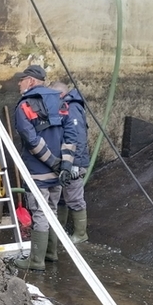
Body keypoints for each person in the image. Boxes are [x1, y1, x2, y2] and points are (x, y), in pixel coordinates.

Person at [13, 65, 77, 271]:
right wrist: (64, 164)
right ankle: (51, 253)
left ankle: (36, 261)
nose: (18, 84)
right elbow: (71, 135)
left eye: (21, 80)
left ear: (30, 81)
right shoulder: (60, 101)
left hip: (38, 170)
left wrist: (52, 162)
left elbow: (31, 140)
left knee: (39, 213)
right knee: (52, 210)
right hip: (59, 172)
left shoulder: (24, 106)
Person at [51, 81, 90, 244]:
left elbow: (78, 138)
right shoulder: (63, 106)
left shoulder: (72, 108)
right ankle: (60, 229)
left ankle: (80, 234)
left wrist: (74, 164)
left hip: (74, 162)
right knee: (61, 197)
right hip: (64, 160)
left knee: (74, 197)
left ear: (59, 95)